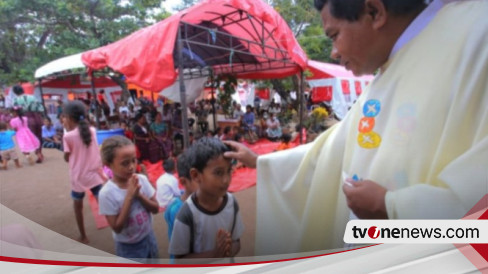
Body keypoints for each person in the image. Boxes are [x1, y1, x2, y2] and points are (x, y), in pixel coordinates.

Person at [223, 0, 488, 255]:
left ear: (374, 12)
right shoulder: (388, 69)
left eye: (334, 35)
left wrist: (392, 209)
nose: (334, 53)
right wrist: (262, 162)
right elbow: (328, 151)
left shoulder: (477, 37)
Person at [168, 137, 244, 260]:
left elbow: (236, 242)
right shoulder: (186, 214)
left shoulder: (232, 203)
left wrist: (227, 249)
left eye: (229, 171)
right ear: (196, 175)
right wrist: (215, 255)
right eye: (218, 173)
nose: (226, 180)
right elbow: (180, 261)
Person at [98, 136, 159, 262]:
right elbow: (117, 227)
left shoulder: (141, 180)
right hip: (128, 248)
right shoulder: (107, 194)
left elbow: (156, 208)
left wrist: (140, 196)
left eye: (133, 160)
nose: (131, 167)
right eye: (125, 163)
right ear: (108, 164)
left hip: (148, 237)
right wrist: (130, 197)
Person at [62, 101, 106, 243]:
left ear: (68, 117)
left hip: (78, 177)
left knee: (78, 205)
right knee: (104, 203)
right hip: (94, 173)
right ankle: (119, 227)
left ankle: (83, 235)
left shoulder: (68, 136)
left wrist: (67, 132)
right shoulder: (91, 130)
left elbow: (66, 158)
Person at [164, 153, 199, 241]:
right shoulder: (177, 210)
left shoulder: (206, 199)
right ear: (183, 182)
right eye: (197, 179)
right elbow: (181, 249)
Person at [12, 85, 44, 163]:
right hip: (37, 117)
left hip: (26, 119)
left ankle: (31, 153)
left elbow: (15, 111)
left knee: (29, 137)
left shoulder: (15, 100)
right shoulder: (32, 97)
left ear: (15, 92)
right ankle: (39, 152)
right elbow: (41, 108)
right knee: (38, 135)